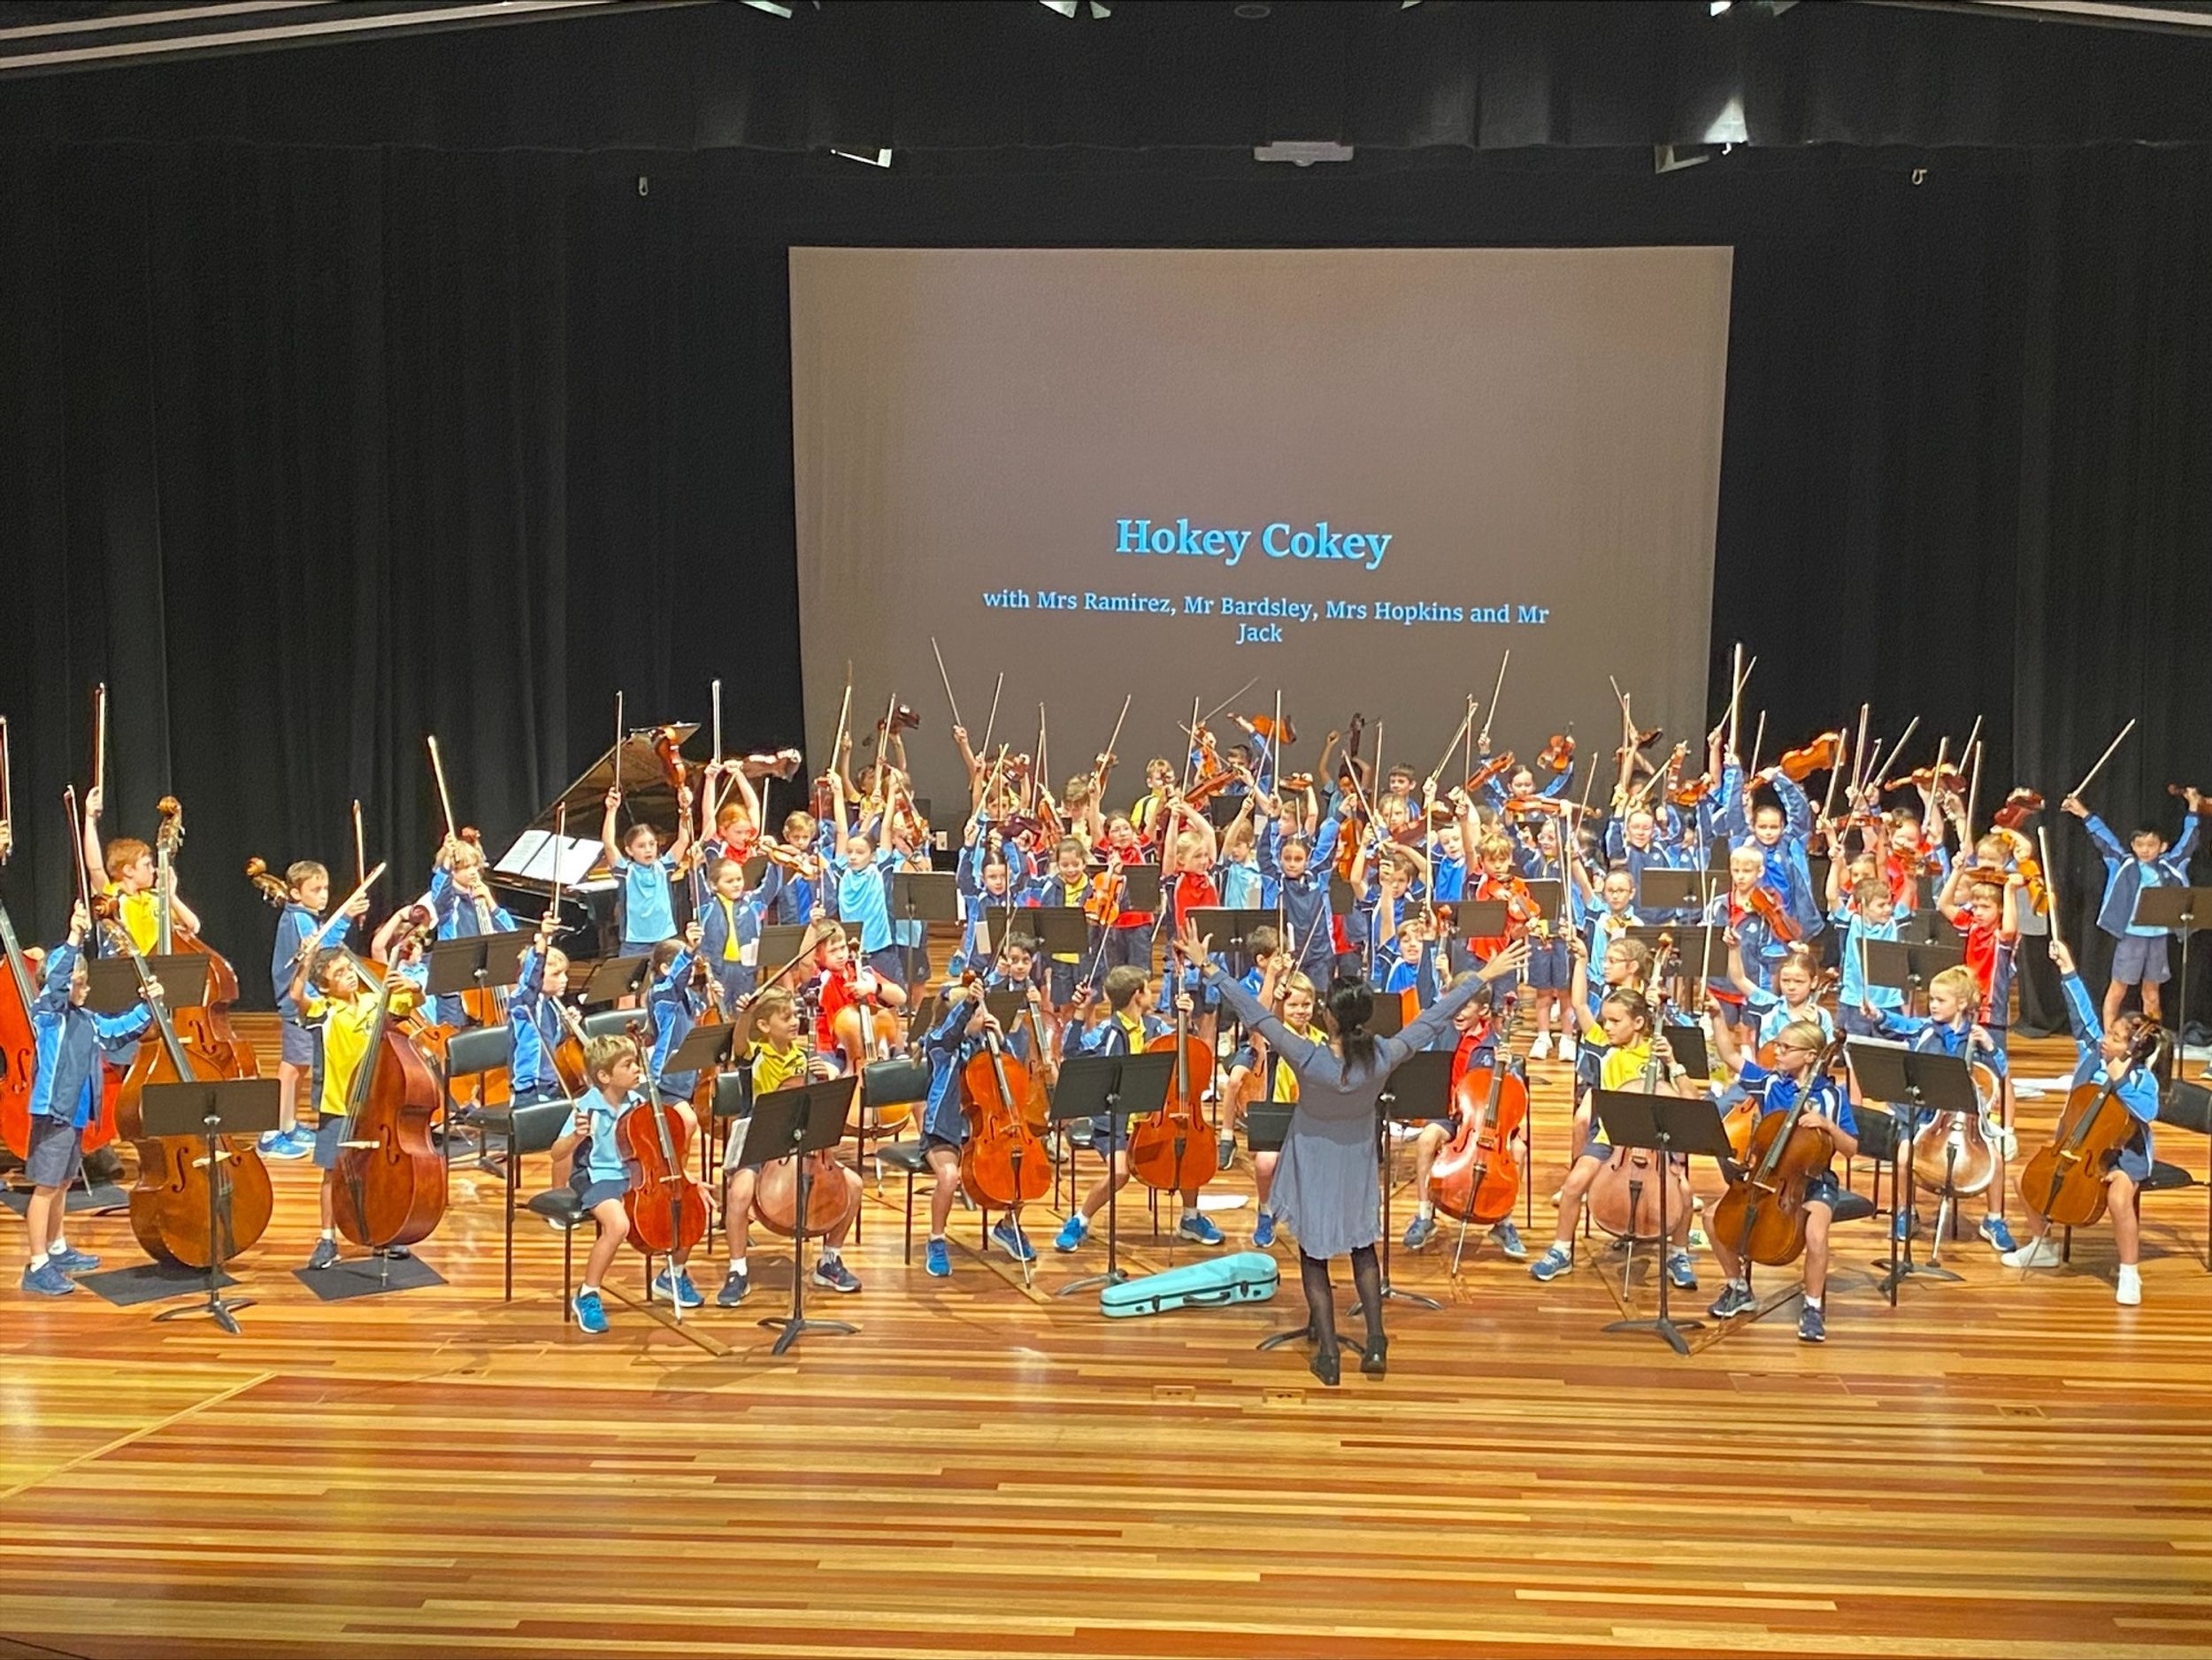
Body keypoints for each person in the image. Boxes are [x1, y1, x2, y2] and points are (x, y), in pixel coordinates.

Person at [1187, 914, 1524, 1386]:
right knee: (1362, 1249)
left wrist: (1209, 968)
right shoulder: (1383, 1054)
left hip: (1312, 1159)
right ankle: (1376, 1342)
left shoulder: (1308, 1056)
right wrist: (1482, 977)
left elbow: (1256, 1016)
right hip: (1357, 1160)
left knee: (1314, 1256)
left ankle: (1328, 1354)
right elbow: (1432, 1019)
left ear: (1329, 1016)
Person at [1530, 938, 1700, 1289]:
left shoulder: (1658, 1052)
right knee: (1574, 1184)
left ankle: (1678, 1254)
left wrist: (1673, 1064)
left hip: (1657, 1142)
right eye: (1606, 1020)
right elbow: (1580, 1005)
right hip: (1613, 1139)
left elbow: (1692, 1101)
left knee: (1683, 1192)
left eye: (1614, 1021)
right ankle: (1561, 1251)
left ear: (1638, 1023)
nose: (1606, 1027)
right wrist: (1581, 961)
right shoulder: (1605, 1048)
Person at [2002, 939, 2162, 1305]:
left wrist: (2121, 1081)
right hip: (2078, 1145)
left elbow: (2148, 1112)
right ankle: (2042, 1246)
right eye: (2109, 1033)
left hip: (2125, 1156)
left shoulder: (2142, 1079)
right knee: (2026, 1179)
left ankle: (2129, 1273)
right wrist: (2068, 968)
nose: (2106, 1040)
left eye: (2116, 1038)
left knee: (2119, 1197)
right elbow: (2082, 1014)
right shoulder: (2092, 1053)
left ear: (2133, 1049)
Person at [19, 904, 157, 1296]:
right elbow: (58, 979)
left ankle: (57, 1248)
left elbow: (117, 1031)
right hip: (55, 1113)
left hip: (75, 1115)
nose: (87, 989)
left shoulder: (86, 1020)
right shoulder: (49, 1014)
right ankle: (37, 1264)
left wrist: (148, 1006)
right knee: (46, 1187)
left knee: (63, 1182)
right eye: (81, 984)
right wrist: (75, 937)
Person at [1704, 1018, 1858, 1342]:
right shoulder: (1771, 1083)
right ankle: (1737, 1287)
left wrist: (1828, 1126)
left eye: (1786, 1048)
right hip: (1766, 1177)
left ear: (1810, 1056)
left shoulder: (1832, 1096)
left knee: (1815, 1234)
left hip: (1814, 1182)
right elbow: (1729, 1056)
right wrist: (1718, 1016)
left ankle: (1813, 1307)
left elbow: (1851, 1149)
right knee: (1711, 1217)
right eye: (1778, 1045)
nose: (1777, 1052)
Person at [1053, 961, 1224, 1252]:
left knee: (1186, 1152)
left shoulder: (1157, 1028)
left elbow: (1187, 1052)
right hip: (1115, 1124)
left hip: (1155, 1120)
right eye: (1148, 990)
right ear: (1137, 994)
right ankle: (1080, 1220)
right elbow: (1072, 1051)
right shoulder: (1107, 1031)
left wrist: (1185, 1021)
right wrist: (1079, 1014)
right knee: (1119, 1174)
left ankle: (1190, 1218)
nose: (1152, 995)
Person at [289, 924, 419, 1272]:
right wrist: (306, 961)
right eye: (339, 974)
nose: (349, 976)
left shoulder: (376, 1001)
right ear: (325, 986)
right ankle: (327, 1239)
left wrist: (414, 987)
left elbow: (410, 1003)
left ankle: (381, 1232)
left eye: (350, 969)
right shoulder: (323, 1010)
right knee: (333, 1172)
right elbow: (296, 996)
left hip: (376, 1103)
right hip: (338, 1106)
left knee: (376, 1170)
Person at [918, 934, 1048, 1275]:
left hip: (985, 1131)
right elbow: (948, 1034)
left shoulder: (986, 1043)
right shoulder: (940, 1047)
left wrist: (1000, 1037)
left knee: (1021, 1164)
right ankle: (936, 1239)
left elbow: (1013, 1070)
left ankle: (1008, 1226)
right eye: (975, 1015)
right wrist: (968, 1008)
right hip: (945, 1130)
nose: (981, 1018)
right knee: (949, 1177)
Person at [715, 989, 848, 1307]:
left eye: (796, 1015)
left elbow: (822, 1100)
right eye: (785, 1017)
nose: (794, 1022)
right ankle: (737, 1270)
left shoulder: (803, 1058)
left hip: (798, 1144)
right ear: (764, 1025)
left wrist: (829, 1074)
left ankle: (830, 1260)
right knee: (739, 1193)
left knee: (853, 1186)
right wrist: (745, 1014)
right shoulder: (754, 1054)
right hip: (760, 1141)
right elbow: (739, 1044)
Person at [2063, 788, 2203, 1029]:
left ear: (2162, 846)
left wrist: (2193, 807)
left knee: (2152, 993)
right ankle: (2107, 1036)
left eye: (2151, 844)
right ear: (2133, 846)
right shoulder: (2124, 863)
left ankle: (2153, 1039)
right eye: (2139, 844)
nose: (2145, 849)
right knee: (2118, 988)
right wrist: (2083, 812)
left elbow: (2189, 840)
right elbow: (2104, 839)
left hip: (2158, 938)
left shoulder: (2172, 864)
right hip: (2130, 937)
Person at [266, 859, 367, 1159]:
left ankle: (289, 1125)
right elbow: (322, 953)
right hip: (298, 1001)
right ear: (296, 894)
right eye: (316, 890)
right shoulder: (299, 919)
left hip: (306, 1001)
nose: (323, 896)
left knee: (299, 1065)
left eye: (325, 889)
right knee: (292, 1067)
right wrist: (345, 917)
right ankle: (272, 1133)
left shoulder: (305, 917)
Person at [602, 782, 692, 960]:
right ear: (629, 850)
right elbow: (609, 844)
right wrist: (611, 811)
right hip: (635, 942)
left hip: (665, 938)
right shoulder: (626, 871)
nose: (648, 850)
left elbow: (683, 841)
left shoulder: (663, 867)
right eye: (641, 846)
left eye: (652, 844)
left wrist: (684, 812)